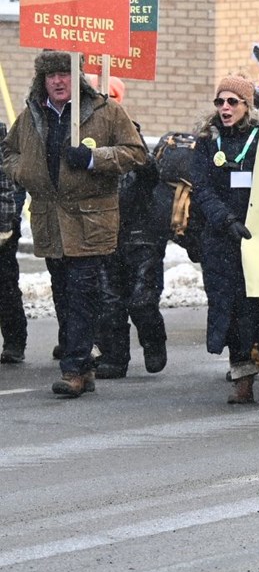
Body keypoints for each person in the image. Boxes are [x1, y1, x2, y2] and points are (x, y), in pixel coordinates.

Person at [4, 51, 147, 397]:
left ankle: (73, 369)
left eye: (64, 74)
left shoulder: (104, 111)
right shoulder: (32, 114)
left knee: (82, 294)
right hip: (50, 222)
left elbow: (136, 152)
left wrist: (94, 158)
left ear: (77, 77)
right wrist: (25, 171)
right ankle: (83, 365)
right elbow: (8, 152)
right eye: (50, 75)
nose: (57, 81)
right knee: (63, 294)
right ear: (42, 80)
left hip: (90, 220)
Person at [192, 75, 259, 403]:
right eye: (220, 102)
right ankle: (242, 375)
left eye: (232, 101)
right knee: (230, 308)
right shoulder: (207, 140)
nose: (225, 108)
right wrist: (226, 219)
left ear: (247, 106)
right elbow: (201, 187)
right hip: (222, 238)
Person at [94, 83, 169, 380]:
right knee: (109, 303)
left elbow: (151, 174)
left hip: (141, 236)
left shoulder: (131, 136)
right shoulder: (87, 142)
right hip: (105, 234)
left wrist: (133, 151)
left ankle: (153, 341)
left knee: (142, 300)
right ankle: (114, 357)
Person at [0, 119, 22, 365]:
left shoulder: (1, 135)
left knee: (5, 284)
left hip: (3, 221)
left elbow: (5, 182)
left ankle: (14, 341)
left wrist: (4, 224)